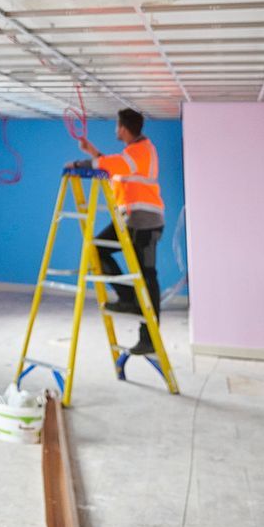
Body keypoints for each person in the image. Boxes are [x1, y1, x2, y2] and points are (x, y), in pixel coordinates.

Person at [71, 107, 165, 355]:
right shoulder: (135, 153)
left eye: (116, 125)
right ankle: (129, 299)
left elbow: (114, 165)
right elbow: (116, 167)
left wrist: (82, 163)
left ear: (123, 128)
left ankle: (149, 338)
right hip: (130, 220)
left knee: (147, 276)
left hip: (145, 222)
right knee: (97, 250)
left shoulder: (140, 151)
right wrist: (92, 153)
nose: (116, 129)